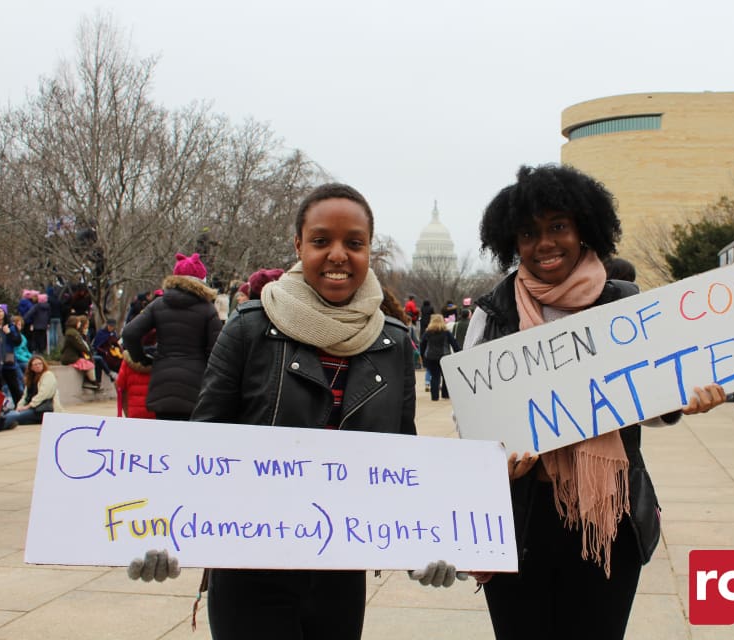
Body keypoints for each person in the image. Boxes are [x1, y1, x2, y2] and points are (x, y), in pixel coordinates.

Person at [127, 183, 463, 637]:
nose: (339, 255)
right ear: (298, 246)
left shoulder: (394, 343)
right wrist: (161, 529)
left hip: (340, 574)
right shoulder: (247, 330)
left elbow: (402, 458)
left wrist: (425, 542)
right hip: (250, 571)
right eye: (322, 241)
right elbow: (201, 445)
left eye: (355, 243)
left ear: (369, 251)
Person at [468, 164, 725, 640]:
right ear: (511, 241)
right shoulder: (492, 311)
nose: (545, 244)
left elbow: (650, 397)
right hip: (520, 519)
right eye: (529, 233)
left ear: (585, 227)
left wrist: (685, 398)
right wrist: (495, 457)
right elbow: (474, 418)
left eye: (558, 227)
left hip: (609, 516)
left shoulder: (624, 303)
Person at [122, 253, 222, 421]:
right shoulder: (208, 310)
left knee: (165, 443)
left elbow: (129, 333)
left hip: (162, 383)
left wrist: (143, 358)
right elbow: (216, 351)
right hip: (196, 385)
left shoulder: (158, 304)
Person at [0, 355, 60, 431]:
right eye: (35, 364)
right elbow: (25, 396)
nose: (38, 366)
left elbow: (43, 395)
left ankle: (0, 426)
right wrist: (19, 406)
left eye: (40, 364)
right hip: (32, 408)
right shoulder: (31, 378)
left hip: (42, 409)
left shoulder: (48, 375)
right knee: (11, 413)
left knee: (14, 416)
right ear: (31, 367)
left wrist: (27, 406)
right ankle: (6, 424)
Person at [419, 313, 459, 401]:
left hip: (431, 357)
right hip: (444, 356)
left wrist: (422, 355)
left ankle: (435, 396)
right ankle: (445, 394)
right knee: (446, 377)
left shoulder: (428, 332)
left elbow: (422, 344)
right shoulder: (446, 332)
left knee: (435, 376)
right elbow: (454, 344)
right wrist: (458, 353)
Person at [59, 315, 99, 390]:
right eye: (78, 323)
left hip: (73, 356)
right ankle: (92, 381)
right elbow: (81, 345)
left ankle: (91, 381)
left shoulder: (73, 332)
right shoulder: (72, 334)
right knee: (89, 364)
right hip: (71, 358)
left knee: (92, 360)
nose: (80, 324)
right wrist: (88, 351)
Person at [0, 304, 25, 403]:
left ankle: (19, 406)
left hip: (8, 361)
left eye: (0, 311)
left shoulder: (11, 327)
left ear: (5, 313)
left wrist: (9, 333)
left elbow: (18, 342)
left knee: (14, 387)